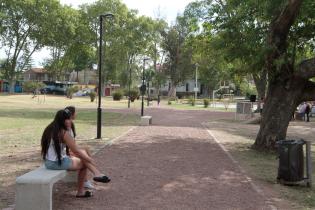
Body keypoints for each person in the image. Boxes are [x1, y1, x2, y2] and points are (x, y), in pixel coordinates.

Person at [41, 110, 110, 198]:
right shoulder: (63, 133)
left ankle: (97, 173)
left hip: (48, 162)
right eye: (68, 119)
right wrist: (90, 159)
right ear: (62, 120)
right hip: (57, 163)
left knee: (83, 154)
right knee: (83, 161)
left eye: (70, 119)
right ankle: (82, 190)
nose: (70, 121)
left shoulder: (50, 128)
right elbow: (76, 150)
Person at [64, 106, 95, 189]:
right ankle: (85, 181)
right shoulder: (65, 125)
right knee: (84, 156)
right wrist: (73, 152)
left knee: (86, 149)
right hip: (65, 152)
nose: (76, 114)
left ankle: (85, 180)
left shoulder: (71, 124)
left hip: (70, 149)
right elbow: (68, 144)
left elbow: (73, 142)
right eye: (75, 112)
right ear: (71, 115)